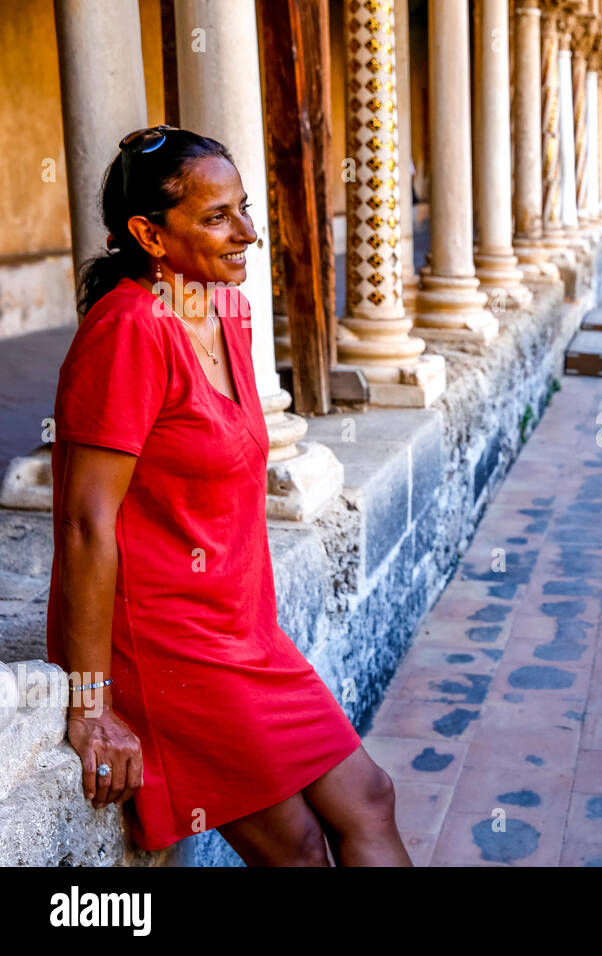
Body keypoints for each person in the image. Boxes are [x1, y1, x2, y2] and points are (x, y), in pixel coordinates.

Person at [47, 125, 412, 866]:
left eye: (244, 208)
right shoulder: (128, 332)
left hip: (242, 631)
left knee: (369, 799)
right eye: (217, 218)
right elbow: (87, 525)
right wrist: (91, 702)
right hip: (168, 644)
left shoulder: (228, 310)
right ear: (150, 234)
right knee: (300, 851)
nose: (247, 231)